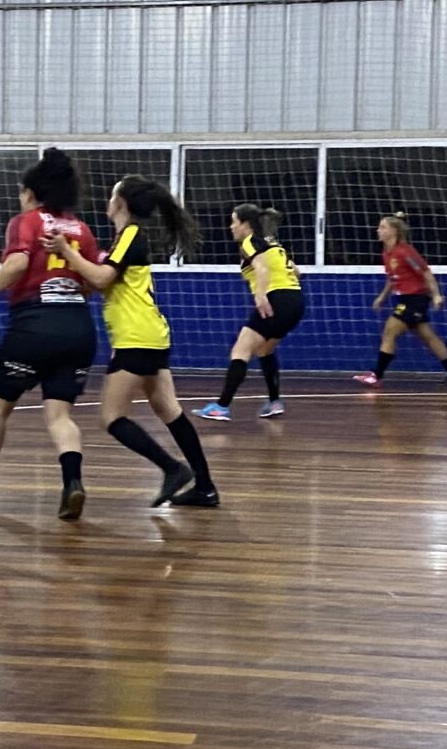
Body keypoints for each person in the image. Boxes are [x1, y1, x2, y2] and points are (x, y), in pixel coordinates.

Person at [0, 148, 100, 520]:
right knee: (60, 415)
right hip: (78, 328)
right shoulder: (82, 229)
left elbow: (17, 263)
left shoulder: (26, 221)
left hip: (34, 325)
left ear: (31, 193)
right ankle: (72, 483)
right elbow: (93, 282)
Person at [44, 175, 219, 507]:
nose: (107, 202)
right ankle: (206, 487)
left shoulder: (131, 234)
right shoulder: (124, 240)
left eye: (112, 196)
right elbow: (101, 282)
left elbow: (101, 277)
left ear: (120, 203)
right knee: (170, 411)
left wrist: (65, 250)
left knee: (111, 417)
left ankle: (173, 470)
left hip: (137, 337)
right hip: (150, 335)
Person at [194, 204, 303, 421]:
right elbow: (296, 272)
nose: (231, 226)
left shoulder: (249, 242)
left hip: (276, 299)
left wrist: (261, 295)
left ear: (245, 225)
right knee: (264, 349)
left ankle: (221, 407)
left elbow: (261, 268)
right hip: (296, 301)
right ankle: (274, 402)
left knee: (240, 350)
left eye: (234, 221)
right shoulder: (272, 244)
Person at [353, 213, 447, 386]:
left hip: (415, 299)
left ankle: (376, 375)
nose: (378, 230)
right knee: (427, 336)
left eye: (383, 227)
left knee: (390, 330)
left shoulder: (405, 252)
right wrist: (382, 297)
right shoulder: (387, 253)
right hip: (405, 298)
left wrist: (436, 295)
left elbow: (425, 272)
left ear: (393, 231)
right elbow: (392, 279)